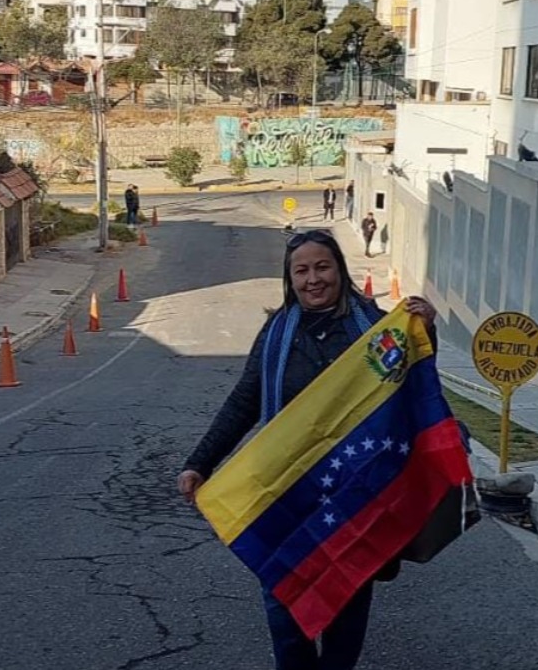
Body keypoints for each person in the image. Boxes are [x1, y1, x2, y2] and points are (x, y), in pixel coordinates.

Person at [176, 230, 438, 670]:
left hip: (353, 492)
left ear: (339, 270)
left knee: (349, 595)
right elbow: (245, 399)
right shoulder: (277, 333)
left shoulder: (373, 327)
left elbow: (408, 389)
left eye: (323, 267)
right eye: (302, 270)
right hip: (287, 490)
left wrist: (426, 330)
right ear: (290, 278)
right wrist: (200, 462)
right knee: (283, 596)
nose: (313, 279)